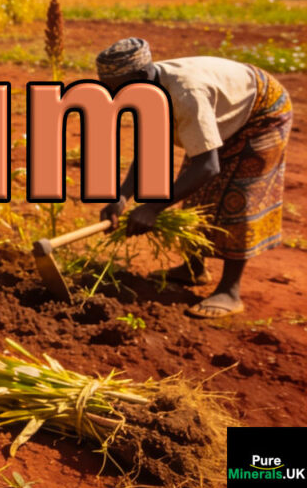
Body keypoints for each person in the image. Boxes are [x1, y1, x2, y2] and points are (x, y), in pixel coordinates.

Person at [96, 37, 293, 318]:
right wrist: (122, 197)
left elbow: (208, 167)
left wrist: (152, 209)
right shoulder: (146, 91)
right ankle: (194, 269)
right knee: (196, 193)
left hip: (261, 113)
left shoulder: (185, 94)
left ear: (140, 76)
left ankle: (230, 290)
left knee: (238, 196)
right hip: (222, 110)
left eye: (116, 89)